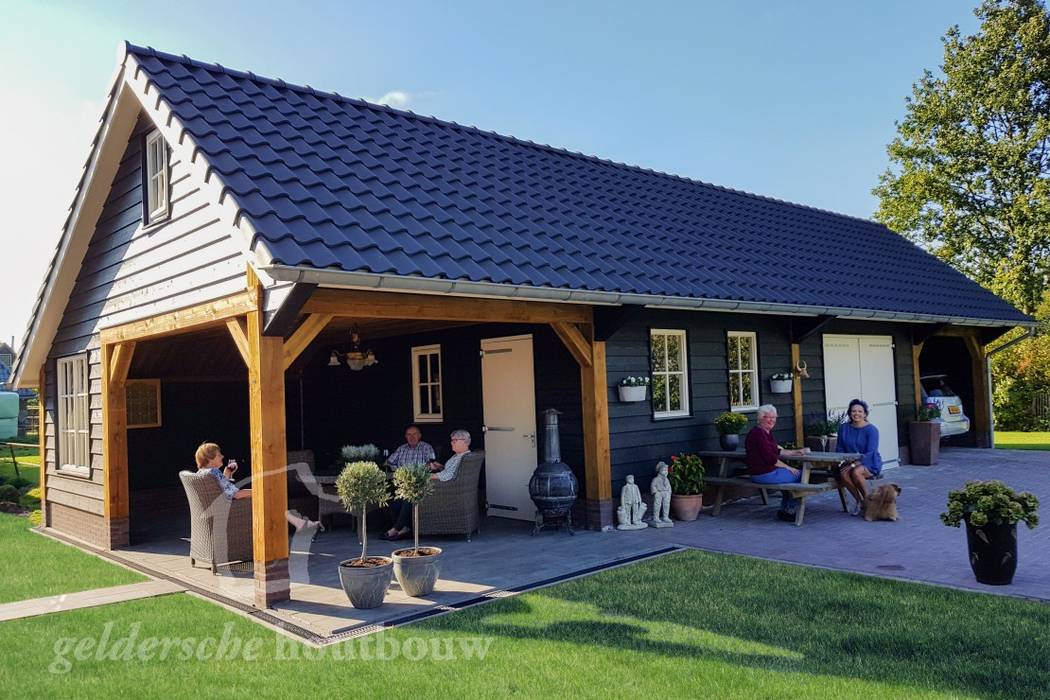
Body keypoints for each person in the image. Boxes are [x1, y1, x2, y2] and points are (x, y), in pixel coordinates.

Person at [194, 442, 322, 533]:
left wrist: (227, 473)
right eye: (218, 455)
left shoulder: (201, 473)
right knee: (269, 496)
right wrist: (259, 491)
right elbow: (236, 494)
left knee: (267, 498)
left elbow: (221, 490)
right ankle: (295, 525)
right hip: (233, 509)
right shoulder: (214, 473)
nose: (222, 456)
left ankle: (298, 524)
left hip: (220, 509)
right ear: (210, 459)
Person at [384, 429, 472, 540]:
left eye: (455, 440)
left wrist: (420, 476)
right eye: (452, 440)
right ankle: (404, 527)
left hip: (442, 492)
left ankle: (397, 529)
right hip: (443, 487)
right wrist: (440, 467)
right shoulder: (459, 456)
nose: (451, 442)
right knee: (401, 499)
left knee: (410, 494)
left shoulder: (462, 458)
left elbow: (446, 477)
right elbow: (450, 473)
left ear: (465, 441)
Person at [744, 405, 811, 522]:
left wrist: (797, 452)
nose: (772, 420)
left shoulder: (764, 432)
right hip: (763, 474)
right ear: (760, 418)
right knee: (801, 475)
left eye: (774, 417)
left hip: (760, 473)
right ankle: (789, 510)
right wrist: (789, 467)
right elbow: (771, 459)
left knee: (793, 477)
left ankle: (785, 510)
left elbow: (777, 450)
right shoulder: (759, 434)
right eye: (768, 417)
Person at [836, 399, 883, 515]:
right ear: (849, 413)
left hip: (869, 461)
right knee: (843, 473)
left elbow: (871, 451)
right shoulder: (844, 428)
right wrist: (841, 461)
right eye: (853, 411)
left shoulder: (872, 430)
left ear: (865, 414)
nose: (856, 414)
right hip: (850, 462)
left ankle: (870, 503)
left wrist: (855, 464)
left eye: (860, 411)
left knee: (856, 472)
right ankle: (861, 502)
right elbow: (840, 448)